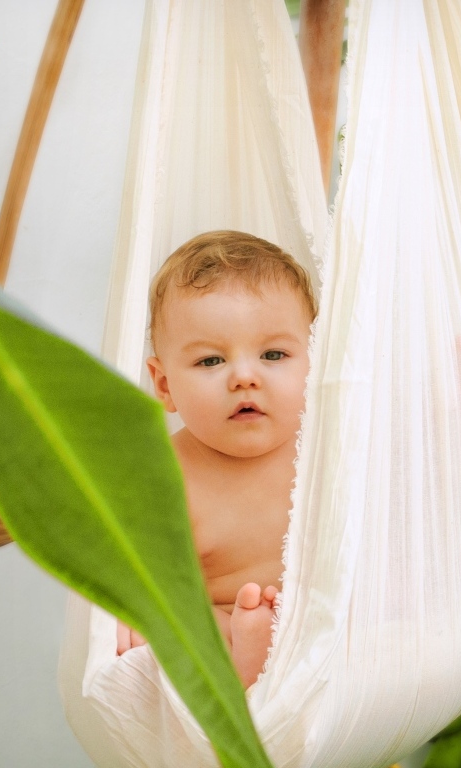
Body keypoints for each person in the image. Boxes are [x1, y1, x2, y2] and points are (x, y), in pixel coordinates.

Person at [115, 230, 315, 689]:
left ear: (315, 363)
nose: (245, 376)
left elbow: (409, 469)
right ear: (164, 386)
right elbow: (122, 564)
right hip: (224, 618)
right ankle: (247, 657)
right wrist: (121, 610)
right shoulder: (162, 476)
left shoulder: (328, 444)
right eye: (210, 362)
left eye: (273, 354)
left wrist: (460, 411)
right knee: (181, 628)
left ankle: (265, 651)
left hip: (323, 619)